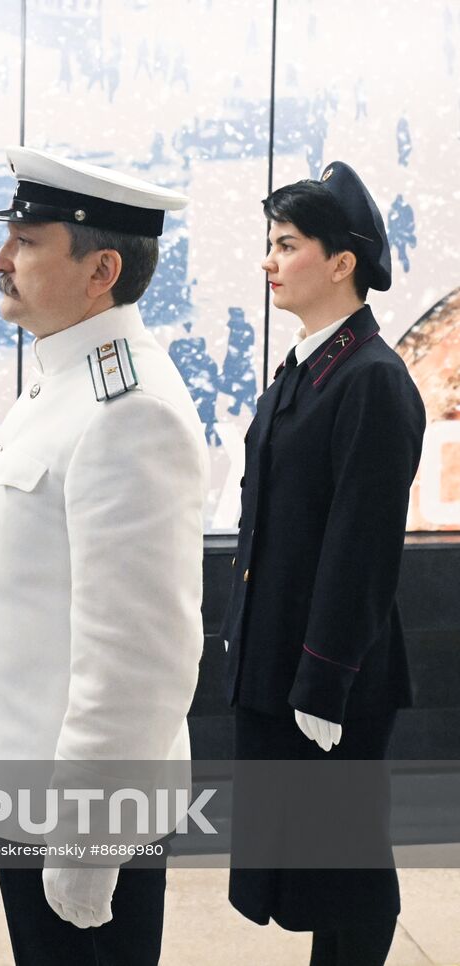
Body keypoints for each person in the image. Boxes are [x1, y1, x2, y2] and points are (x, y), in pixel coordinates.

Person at [0, 147, 206, 965]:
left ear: (101, 269)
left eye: (27, 240)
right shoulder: (66, 380)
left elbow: (138, 658)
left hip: (72, 818)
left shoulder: (130, 409)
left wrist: (88, 850)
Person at [222, 161, 425, 966]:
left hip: (327, 670)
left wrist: (325, 675)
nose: (270, 261)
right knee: (314, 866)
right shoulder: (308, 366)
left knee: (348, 866)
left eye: (287, 244)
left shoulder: (373, 379)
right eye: (269, 243)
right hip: (280, 660)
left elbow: (361, 546)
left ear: (342, 262)